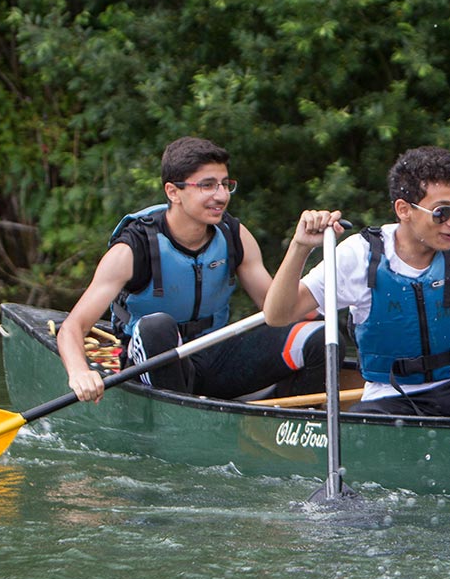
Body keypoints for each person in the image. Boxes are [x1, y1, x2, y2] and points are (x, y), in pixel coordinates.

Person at [263, 145, 450, 417]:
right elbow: (278, 314)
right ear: (404, 210)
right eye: (442, 212)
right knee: (367, 422)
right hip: (393, 398)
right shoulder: (358, 256)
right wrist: (300, 246)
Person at [57, 136, 326, 403]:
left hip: (214, 355)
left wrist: (302, 250)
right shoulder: (132, 249)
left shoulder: (235, 237)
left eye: (225, 184)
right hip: (152, 362)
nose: (220, 196)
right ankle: (177, 423)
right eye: (207, 185)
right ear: (173, 192)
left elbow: (278, 310)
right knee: (157, 327)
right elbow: (72, 328)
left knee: (318, 336)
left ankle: (293, 425)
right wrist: (80, 373)